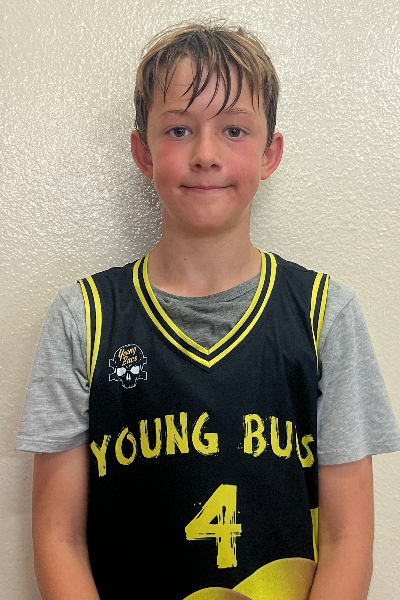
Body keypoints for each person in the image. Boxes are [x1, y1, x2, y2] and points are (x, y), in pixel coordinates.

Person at [16, 23, 400, 600]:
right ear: (143, 152)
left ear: (270, 154)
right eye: (179, 129)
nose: (206, 155)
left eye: (234, 130)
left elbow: (349, 539)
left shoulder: (326, 316)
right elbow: (57, 536)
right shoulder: (83, 319)